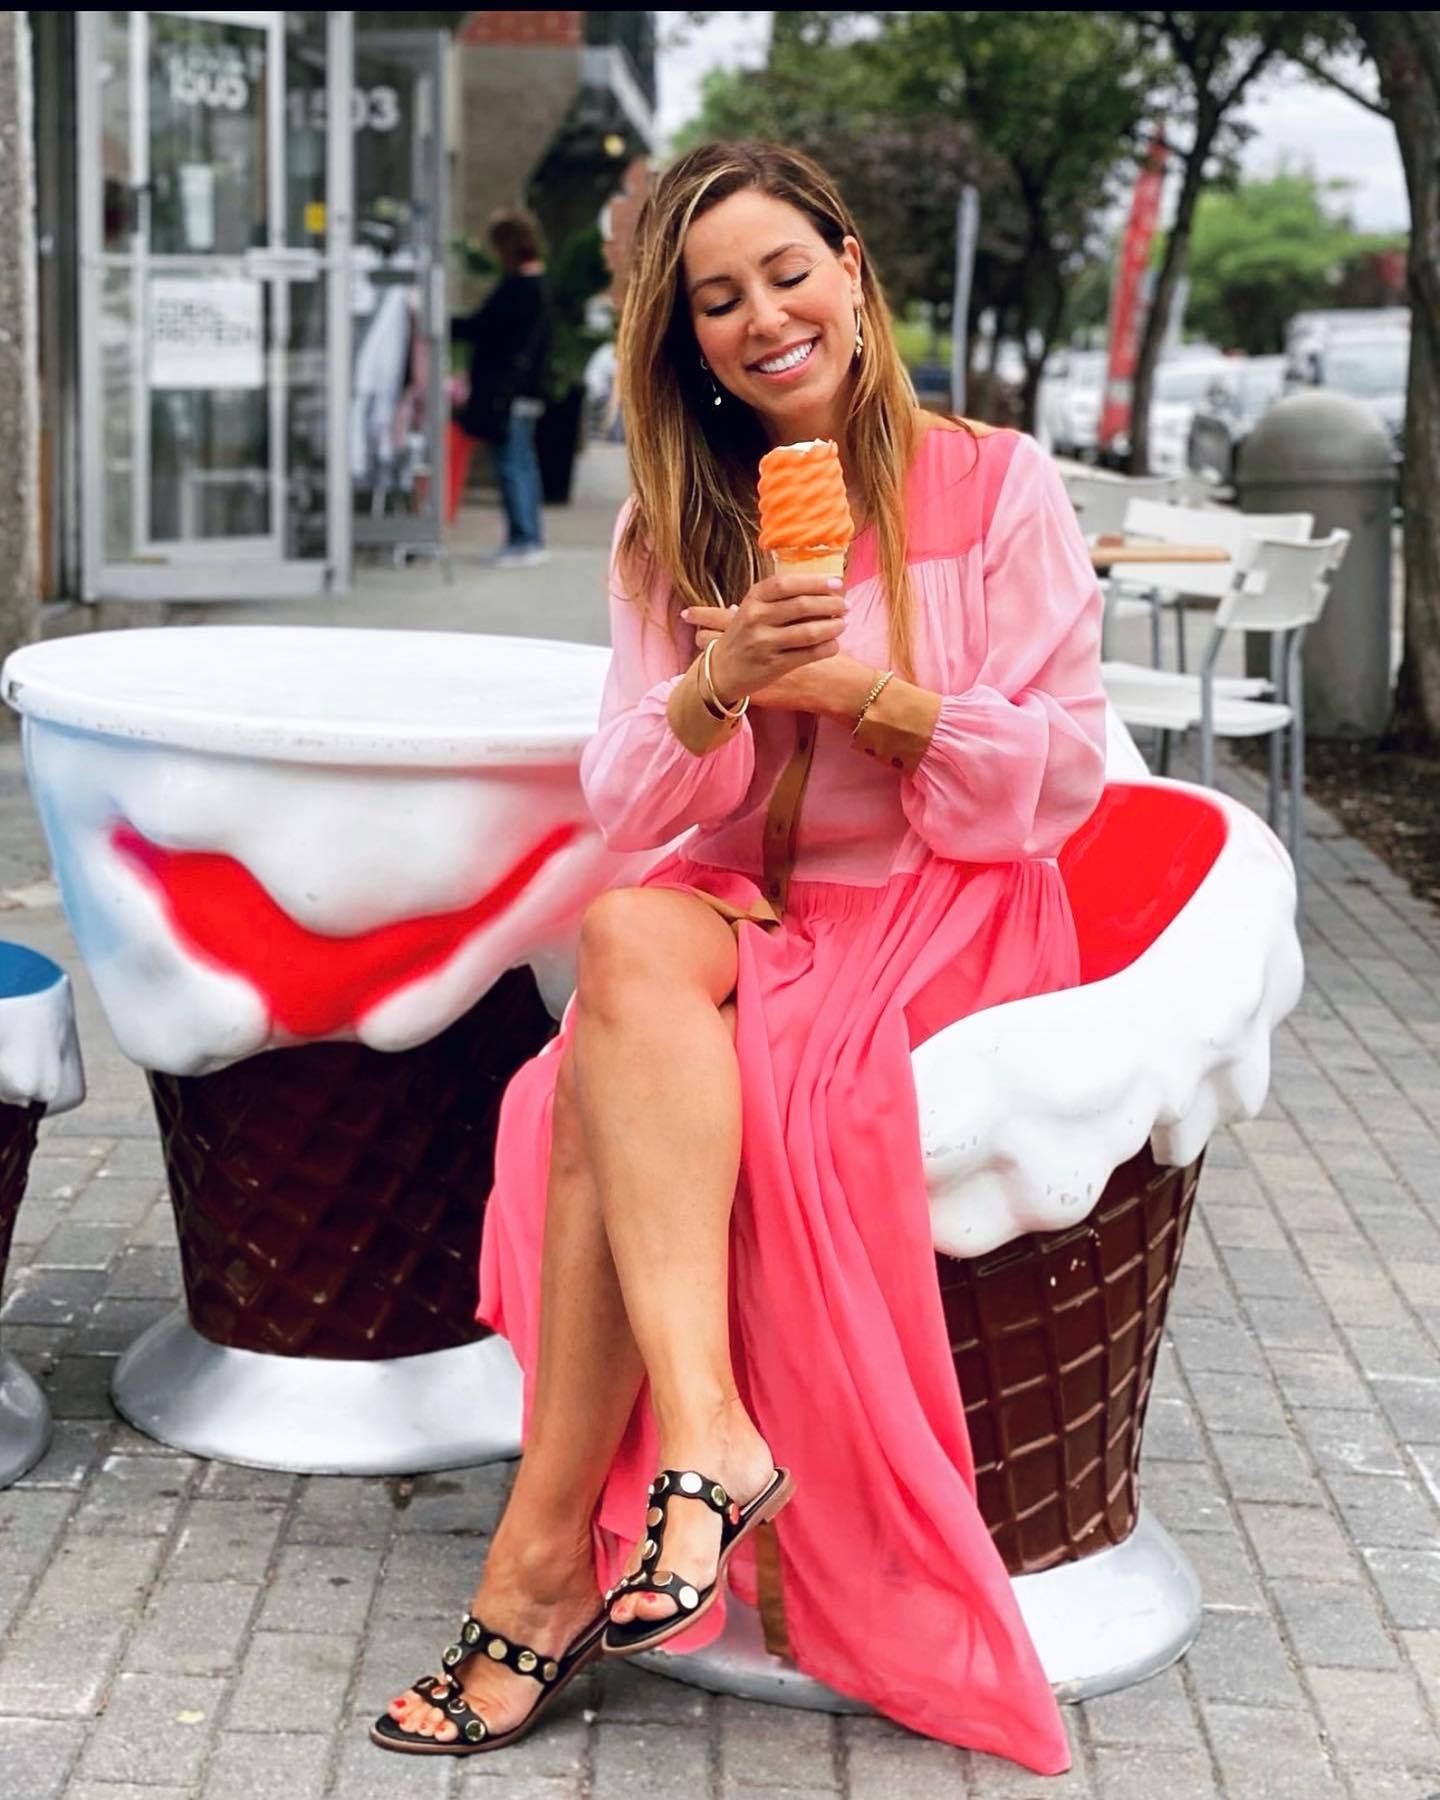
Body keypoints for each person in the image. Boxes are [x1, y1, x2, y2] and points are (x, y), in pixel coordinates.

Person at [375, 141, 1105, 1774]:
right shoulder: (675, 525)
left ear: (853, 271)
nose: (763, 319)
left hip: (944, 906)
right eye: (716, 300)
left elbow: (1060, 775)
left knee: (584, 1099)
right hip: (747, 911)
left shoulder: (997, 485)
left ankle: (540, 1570)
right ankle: (706, 1438)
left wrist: (863, 695)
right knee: (624, 924)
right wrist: (719, 685)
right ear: (685, 338)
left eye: (787, 273)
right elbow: (632, 803)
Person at [450, 208, 552, 565]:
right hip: (525, 391)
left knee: (512, 464)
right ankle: (530, 537)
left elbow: (483, 328)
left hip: (507, 392)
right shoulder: (538, 286)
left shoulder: (518, 289)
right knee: (522, 463)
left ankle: (523, 539)